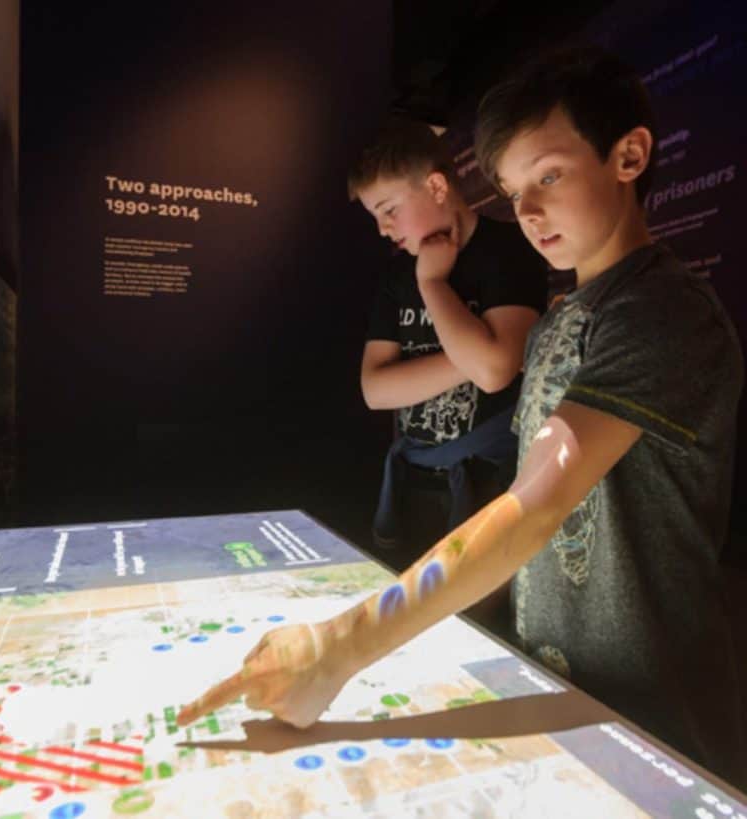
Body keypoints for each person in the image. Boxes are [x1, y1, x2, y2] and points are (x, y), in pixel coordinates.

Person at [177, 45, 747, 786]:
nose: (530, 210)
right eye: (515, 190)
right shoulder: (558, 320)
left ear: (629, 154)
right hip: (566, 696)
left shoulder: (662, 311)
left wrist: (343, 645)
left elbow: (537, 505)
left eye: (549, 174)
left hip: (654, 720)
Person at [350, 116, 546, 573]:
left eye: (388, 209)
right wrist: (475, 353)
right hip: (415, 483)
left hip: (490, 488)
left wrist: (434, 283)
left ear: (437, 187)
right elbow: (375, 390)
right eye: (375, 216)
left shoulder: (508, 250)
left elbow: (496, 372)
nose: (382, 228)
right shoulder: (397, 276)